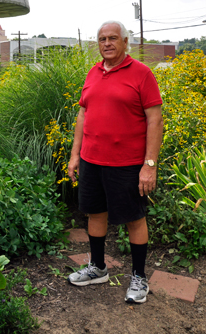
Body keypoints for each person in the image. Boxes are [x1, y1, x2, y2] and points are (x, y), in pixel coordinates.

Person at [67, 21, 163, 304]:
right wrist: (75, 155)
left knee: (134, 218)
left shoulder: (142, 74)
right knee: (95, 213)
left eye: (112, 38)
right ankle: (98, 267)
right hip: (92, 160)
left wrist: (150, 165)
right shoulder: (93, 73)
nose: (107, 43)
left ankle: (138, 277)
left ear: (124, 42)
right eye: (102, 39)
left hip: (127, 163)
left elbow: (154, 119)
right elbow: (83, 115)